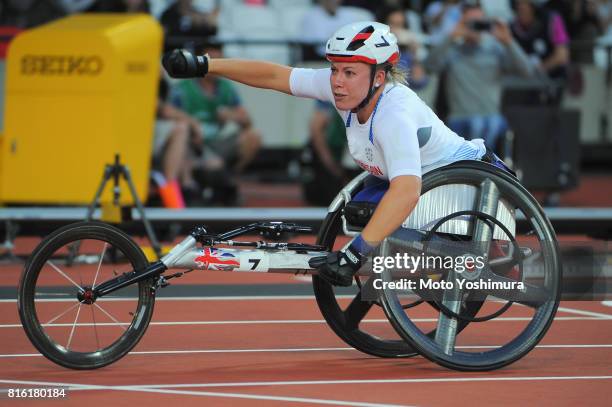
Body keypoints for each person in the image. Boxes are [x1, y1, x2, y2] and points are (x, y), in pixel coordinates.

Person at [162, 21, 512, 287]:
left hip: (470, 190)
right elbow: (274, 75)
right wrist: (205, 65)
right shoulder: (347, 90)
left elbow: (405, 192)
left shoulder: (394, 114)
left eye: (348, 72)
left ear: (379, 77)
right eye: (333, 70)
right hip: (420, 189)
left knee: (369, 220)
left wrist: (356, 254)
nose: (337, 81)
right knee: (357, 206)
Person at [425, 4, 535, 151]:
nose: (475, 27)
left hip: (491, 120)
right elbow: (429, 67)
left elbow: (527, 71)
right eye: (470, 23)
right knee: (477, 124)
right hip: (460, 120)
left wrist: (509, 41)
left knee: (488, 124)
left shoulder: (495, 49)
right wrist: (451, 37)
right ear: (461, 23)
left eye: (479, 23)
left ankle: (486, 165)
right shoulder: (453, 51)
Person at [170, 44, 262, 176]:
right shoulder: (182, 89)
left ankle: (231, 175)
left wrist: (232, 115)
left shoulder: (227, 88)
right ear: (198, 61)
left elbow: (248, 121)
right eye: (210, 60)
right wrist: (192, 125)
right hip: (192, 143)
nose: (215, 65)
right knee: (181, 136)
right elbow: (169, 117)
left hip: (218, 141)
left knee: (253, 136)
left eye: (219, 60)